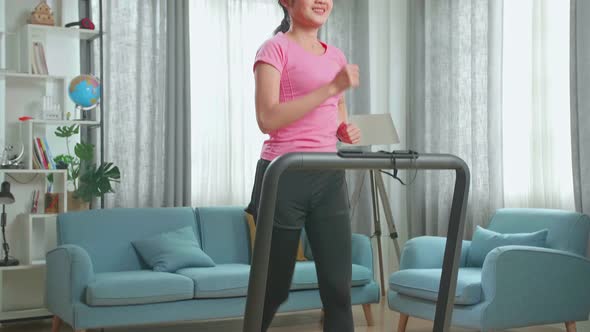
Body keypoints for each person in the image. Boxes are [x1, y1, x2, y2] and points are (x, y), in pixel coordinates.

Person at [245, 0, 361, 331]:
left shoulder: (335, 55)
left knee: (339, 289)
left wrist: (343, 128)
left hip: (328, 175)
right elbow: (267, 118)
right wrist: (330, 87)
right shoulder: (273, 49)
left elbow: (337, 107)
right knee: (273, 288)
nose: (322, 1)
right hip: (283, 177)